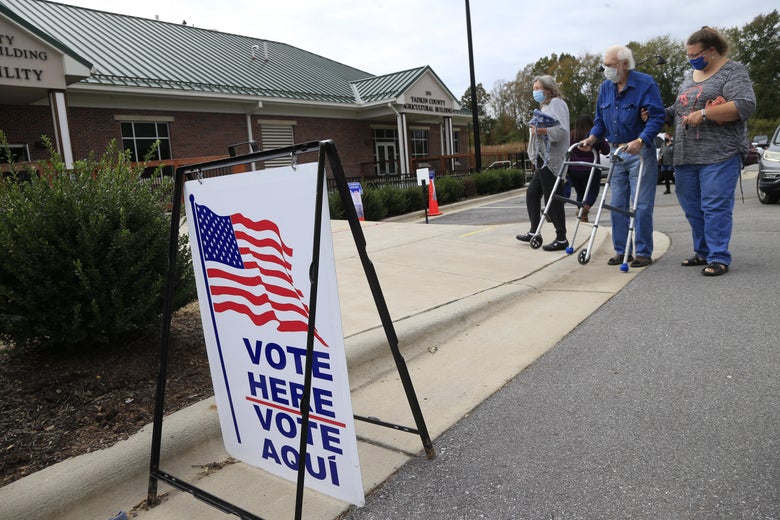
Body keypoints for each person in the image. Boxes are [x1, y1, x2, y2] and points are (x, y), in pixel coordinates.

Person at [666, 26, 756, 276]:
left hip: (719, 154)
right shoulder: (690, 75)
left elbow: (745, 105)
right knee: (692, 207)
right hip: (685, 155)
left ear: (712, 51)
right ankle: (702, 251)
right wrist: (658, 114)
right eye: (688, 55)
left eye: (695, 54)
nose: (691, 59)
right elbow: (680, 108)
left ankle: (718, 256)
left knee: (715, 206)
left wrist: (704, 114)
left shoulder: (733, 71)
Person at [579, 45, 665, 268]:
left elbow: (656, 118)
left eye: (610, 65)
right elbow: (600, 120)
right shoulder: (605, 88)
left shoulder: (645, 84)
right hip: (617, 152)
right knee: (617, 203)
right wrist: (592, 138)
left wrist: (641, 140)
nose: (606, 69)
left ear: (625, 65)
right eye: (605, 65)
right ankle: (621, 250)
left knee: (642, 204)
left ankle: (643, 252)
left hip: (639, 151)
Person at [516, 75, 570, 251]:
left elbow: (561, 131)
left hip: (552, 159)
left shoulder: (557, 104)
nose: (535, 91)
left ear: (548, 89)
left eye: (538, 88)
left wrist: (540, 130)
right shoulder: (545, 105)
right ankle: (534, 230)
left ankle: (561, 238)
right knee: (532, 193)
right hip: (543, 159)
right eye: (534, 88)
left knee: (552, 197)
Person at [567, 114, 609, 222]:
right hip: (592, 168)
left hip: (574, 168)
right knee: (592, 192)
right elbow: (606, 150)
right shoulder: (594, 136)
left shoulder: (571, 135)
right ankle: (583, 211)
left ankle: (583, 216)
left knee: (580, 193)